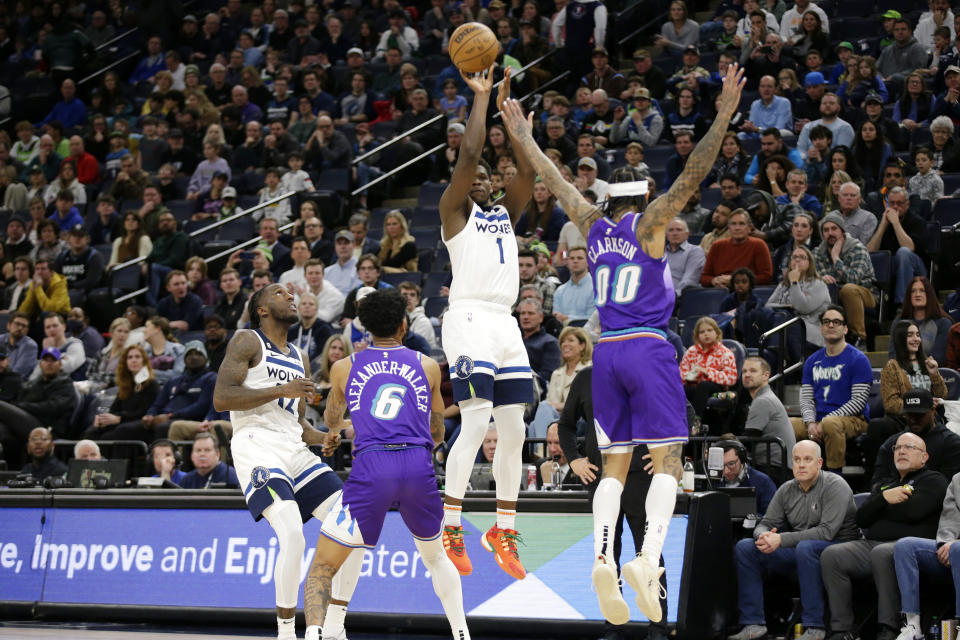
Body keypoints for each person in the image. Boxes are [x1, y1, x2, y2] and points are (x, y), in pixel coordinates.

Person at [501, 62, 746, 625]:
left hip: (604, 350)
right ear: (644, 199)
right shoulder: (652, 224)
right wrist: (725, 112)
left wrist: (523, 137)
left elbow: (556, 180)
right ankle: (648, 558)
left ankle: (600, 559)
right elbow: (695, 170)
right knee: (668, 459)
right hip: (647, 346)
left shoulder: (592, 225)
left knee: (613, 466)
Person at [303, 288, 469, 640]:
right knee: (436, 557)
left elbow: (333, 417)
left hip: (372, 466)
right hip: (416, 464)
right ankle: (461, 633)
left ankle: (319, 633)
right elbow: (437, 431)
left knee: (323, 565)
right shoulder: (426, 366)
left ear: (363, 328)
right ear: (404, 325)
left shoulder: (343, 367)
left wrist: (333, 434)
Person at [213, 283, 363, 640]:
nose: (290, 297)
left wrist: (325, 435)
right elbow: (222, 398)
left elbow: (296, 423)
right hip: (255, 443)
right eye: (279, 293)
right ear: (261, 308)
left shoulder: (299, 355)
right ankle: (285, 631)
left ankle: (335, 625)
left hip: (292, 448)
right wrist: (283, 389)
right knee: (293, 534)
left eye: (291, 294)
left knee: (354, 525)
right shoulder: (247, 340)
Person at [435, 67, 535, 581]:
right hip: (470, 316)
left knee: (515, 428)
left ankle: (503, 528)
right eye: (472, 176)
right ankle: (450, 523)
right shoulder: (454, 211)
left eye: (486, 178)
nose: (480, 179)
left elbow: (530, 176)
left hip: (505, 323)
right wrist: (480, 101)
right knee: (475, 420)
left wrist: (518, 129)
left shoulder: (503, 213)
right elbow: (470, 155)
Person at [727, 441, 859, 640]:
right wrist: (763, 536)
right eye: (797, 460)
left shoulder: (835, 485)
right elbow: (766, 522)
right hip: (801, 549)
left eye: (807, 459)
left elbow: (826, 532)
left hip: (839, 548)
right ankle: (753, 624)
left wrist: (780, 538)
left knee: (806, 548)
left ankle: (814, 627)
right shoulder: (787, 489)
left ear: (820, 462)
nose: (801, 465)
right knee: (746, 547)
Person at [822, 431, 947, 640]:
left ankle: (889, 627)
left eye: (909, 447)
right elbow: (861, 518)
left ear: (924, 457)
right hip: (872, 544)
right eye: (897, 448)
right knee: (832, 555)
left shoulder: (934, 480)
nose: (901, 451)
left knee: (882, 553)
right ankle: (841, 629)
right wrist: (885, 499)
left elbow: (914, 512)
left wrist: (882, 504)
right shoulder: (886, 484)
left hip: (908, 548)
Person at [791, 305, 873, 472]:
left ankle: (835, 477)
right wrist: (810, 422)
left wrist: (824, 422)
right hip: (819, 420)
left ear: (845, 329)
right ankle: (791, 475)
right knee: (787, 424)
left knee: (830, 423)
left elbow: (858, 402)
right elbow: (806, 398)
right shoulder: (812, 361)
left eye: (836, 322)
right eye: (826, 322)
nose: (831, 325)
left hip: (854, 420)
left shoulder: (858, 359)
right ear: (821, 328)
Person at [893, 454, 960, 640]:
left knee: (957, 550)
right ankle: (912, 626)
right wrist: (946, 542)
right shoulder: (958, 480)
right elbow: (949, 521)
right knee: (905, 546)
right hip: (953, 548)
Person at [0, 348, 77, 466]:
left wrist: (22, 407)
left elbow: (52, 408)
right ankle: (11, 472)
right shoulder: (35, 382)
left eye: (53, 360)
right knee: (3, 431)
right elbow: (22, 400)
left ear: (60, 364)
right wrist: (21, 406)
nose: (49, 363)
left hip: (48, 427)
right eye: (46, 360)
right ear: (40, 364)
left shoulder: (65, 383)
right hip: (29, 422)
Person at [813, 214, 878, 348]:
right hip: (834, 294)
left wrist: (836, 258)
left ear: (842, 231)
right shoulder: (818, 252)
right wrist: (820, 279)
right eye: (826, 230)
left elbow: (853, 279)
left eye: (834, 229)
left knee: (848, 289)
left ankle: (859, 338)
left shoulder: (857, 248)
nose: (830, 233)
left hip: (865, 294)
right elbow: (815, 277)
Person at [866, 186, 929, 309]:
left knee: (903, 252)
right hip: (893, 266)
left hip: (917, 268)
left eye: (899, 203)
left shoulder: (917, 221)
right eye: (892, 203)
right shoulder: (884, 221)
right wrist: (883, 226)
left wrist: (896, 223)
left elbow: (909, 248)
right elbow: (870, 252)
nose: (895, 207)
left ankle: (903, 305)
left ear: (907, 204)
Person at [85, 345, 160, 441]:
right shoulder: (125, 386)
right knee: (92, 432)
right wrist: (102, 419)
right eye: (130, 357)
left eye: (137, 357)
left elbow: (145, 412)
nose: (134, 360)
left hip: (141, 424)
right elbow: (114, 409)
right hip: (123, 422)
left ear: (144, 361)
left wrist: (119, 418)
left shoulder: (151, 384)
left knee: (112, 435)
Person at [764, 244, 831, 351]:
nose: (797, 260)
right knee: (774, 315)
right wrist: (787, 306)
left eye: (802, 257)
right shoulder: (784, 285)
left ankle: (778, 349)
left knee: (785, 319)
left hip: (809, 330)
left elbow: (802, 308)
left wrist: (794, 282)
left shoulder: (818, 284)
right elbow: (768, 305)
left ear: (810, 263)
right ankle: (774, 350)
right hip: (784, 328)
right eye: (794, 257)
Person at [529, 326, 591, 438]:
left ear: (582, 346)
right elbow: (550, 403)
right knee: (533, 425)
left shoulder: (589, 369)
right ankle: (547, 451)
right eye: (562, 341)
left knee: (543, 409)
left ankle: (545, 451)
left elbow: (586, 404)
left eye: (571, 340)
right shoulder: (556, 373)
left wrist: (558, 406)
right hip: (559, 418)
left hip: (579, 418)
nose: (565, 344)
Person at [741, 357, 796, 469]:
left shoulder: (763, 400)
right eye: (744, 371)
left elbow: (748, 441)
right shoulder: (766, 397)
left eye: (753, 371)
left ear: (766, 376)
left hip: (774, 470)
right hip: (772, 466)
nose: (747, 374)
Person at [679, 316, 739, 417]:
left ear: (717, 333)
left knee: (704, 385)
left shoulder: (725, 353)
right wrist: (690, 376)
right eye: (702, 332)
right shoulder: (691, 351)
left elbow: (731, 378)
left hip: (716, 387)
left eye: (710, 330)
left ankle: (696, 422)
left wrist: (707, 372)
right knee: (683, 388)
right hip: (694, 386)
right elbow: (680, 374)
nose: (706, 334)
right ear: (697, 336)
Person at [700, 209, 773, 287]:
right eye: (733, 224)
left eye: (741, 224)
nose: (737, 228)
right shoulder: (717, 246)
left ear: (749, 228)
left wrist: (735, 281)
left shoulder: (759, 245)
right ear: (729, 228)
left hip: (747, 292)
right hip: (719, 290)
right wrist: (713, 281)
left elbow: (766, 277)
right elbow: (704, 277)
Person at [891, 277, 953, 364]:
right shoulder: (898, 322)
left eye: (922, 290)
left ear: (929, 294)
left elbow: (938, 358)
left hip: (932, 373)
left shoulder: (943, 323)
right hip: (902, 373)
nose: (917, 294)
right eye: (913, 291)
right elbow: (893, 355)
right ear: (909, 296)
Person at [716, 439, 777, 514]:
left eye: (731, 464)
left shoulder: (763, 482)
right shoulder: (713, 481)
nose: (726, 471)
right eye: (720, 466)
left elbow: (772, 519)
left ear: (742, 459)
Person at [0, 312, 38, 377]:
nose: (20, 328)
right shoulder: (0, 339)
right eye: (17, 324)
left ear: (27, 331)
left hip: (16, 384)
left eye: (24, 326)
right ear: (8, 325)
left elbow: (18, 374)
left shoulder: (30, 346)